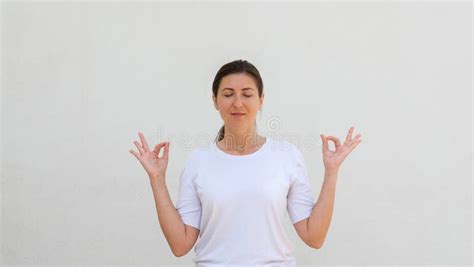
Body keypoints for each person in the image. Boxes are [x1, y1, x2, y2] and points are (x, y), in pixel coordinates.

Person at [130, 59, 362, 266]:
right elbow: (180, 245)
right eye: (228, 94)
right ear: (215, 100)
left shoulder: (287, 156)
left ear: (261, 99)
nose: (238, 103)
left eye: (247, 94)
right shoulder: (198, 161)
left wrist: (332, 172)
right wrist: (157, 179)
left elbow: (314, 236)